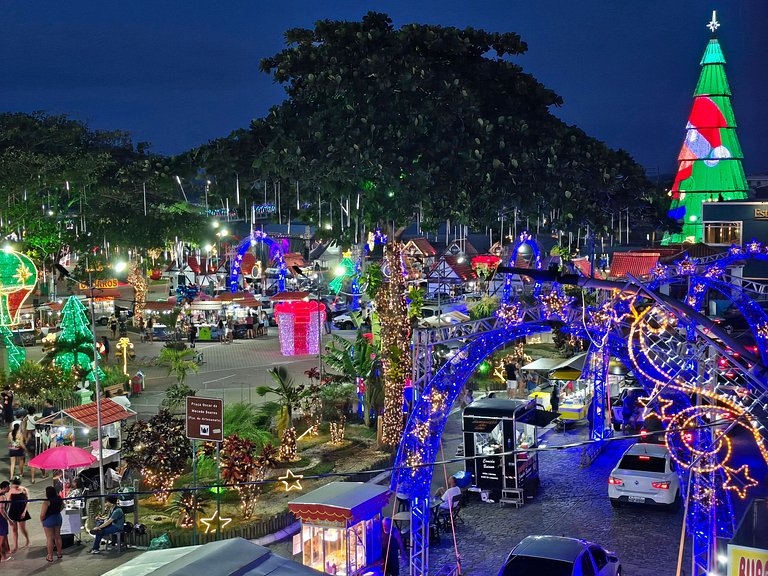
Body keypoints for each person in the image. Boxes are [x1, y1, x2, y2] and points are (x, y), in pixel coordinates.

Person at [40, 486, 63, 562]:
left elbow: (42, 514)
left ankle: (50, 556)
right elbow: (62, 506)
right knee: (58, 536)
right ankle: (59, 553)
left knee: (50, 538)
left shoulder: (47, 501)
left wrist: (42, 520)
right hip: (57, 517)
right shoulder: (59, 498)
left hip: (49, 519)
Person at [7, 477, 30, 552]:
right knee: (14, 529)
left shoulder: (24, 490)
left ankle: (27, 540)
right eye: (14, 484)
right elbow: (8, 501)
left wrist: (24, 512)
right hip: (13, 511)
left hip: (21, 510)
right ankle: (15, 546)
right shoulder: (11, 490)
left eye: (16, 485)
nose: (15, 486)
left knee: (22, 528)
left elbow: (28, 501)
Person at [22, 407, 38, 484]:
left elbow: (24, 428)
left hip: (29, 437)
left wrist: (25, 438)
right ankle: (44, 473)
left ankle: (32, 478)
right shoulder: (36, 417)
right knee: (38, 457)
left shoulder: (26, 418)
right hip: (35, 437)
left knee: (31, 458)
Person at [0, 481, 11, 562]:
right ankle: (3, 557)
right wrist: (8, 519)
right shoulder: (2, 497)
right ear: (4, 487)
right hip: (1, 519)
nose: (9, 488)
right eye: (8, 487)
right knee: (2, 538)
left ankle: (6, 551)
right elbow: (1, 509)